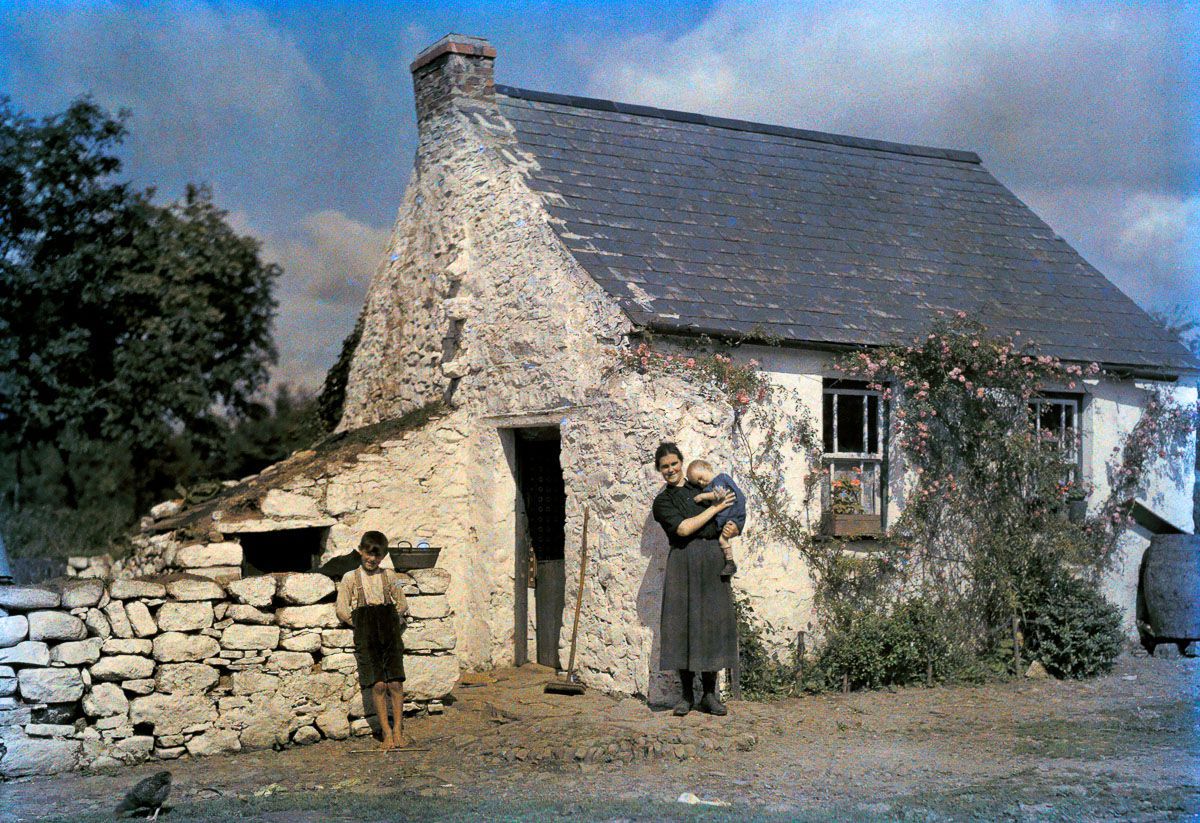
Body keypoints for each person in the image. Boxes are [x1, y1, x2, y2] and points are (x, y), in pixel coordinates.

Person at [651, 442, 739, 716]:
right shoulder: (662, 502)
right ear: (659, 470)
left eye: (674, 464)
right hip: (683, 561)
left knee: (711, 623)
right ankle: (687, 696)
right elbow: (684, 528)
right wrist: (715, 509)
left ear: (681, 462)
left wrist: (733, 526)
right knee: (683, 625)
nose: (670, 470)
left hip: (712, 559)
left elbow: (731, 506)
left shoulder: (701, 488)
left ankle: (710, 695)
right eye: (664, 466)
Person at [335, 530, 410, 749]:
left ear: (383, 557)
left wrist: (392, 620)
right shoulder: (350, 578)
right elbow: (342, 610)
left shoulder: (390, 576)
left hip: (390, 633)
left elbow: (402, 603)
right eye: (369, 553)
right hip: (366, 634)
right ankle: (386, 732)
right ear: (360, 551)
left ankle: (398, 730)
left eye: (377, 555)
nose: (372, 559)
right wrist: (361, 625)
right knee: (378, 685)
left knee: (395, 682)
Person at [685, 459, 746, 578]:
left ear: (708, 468)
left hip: (733, 513)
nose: (701, 482)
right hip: (732, 518)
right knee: (723, 540)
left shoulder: (720, 479)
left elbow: (720, 494)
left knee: (723, 537)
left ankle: (730, 564)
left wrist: (702, 496)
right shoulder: (711, 485)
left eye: (700, 477)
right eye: (698, 483)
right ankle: (730, 563)